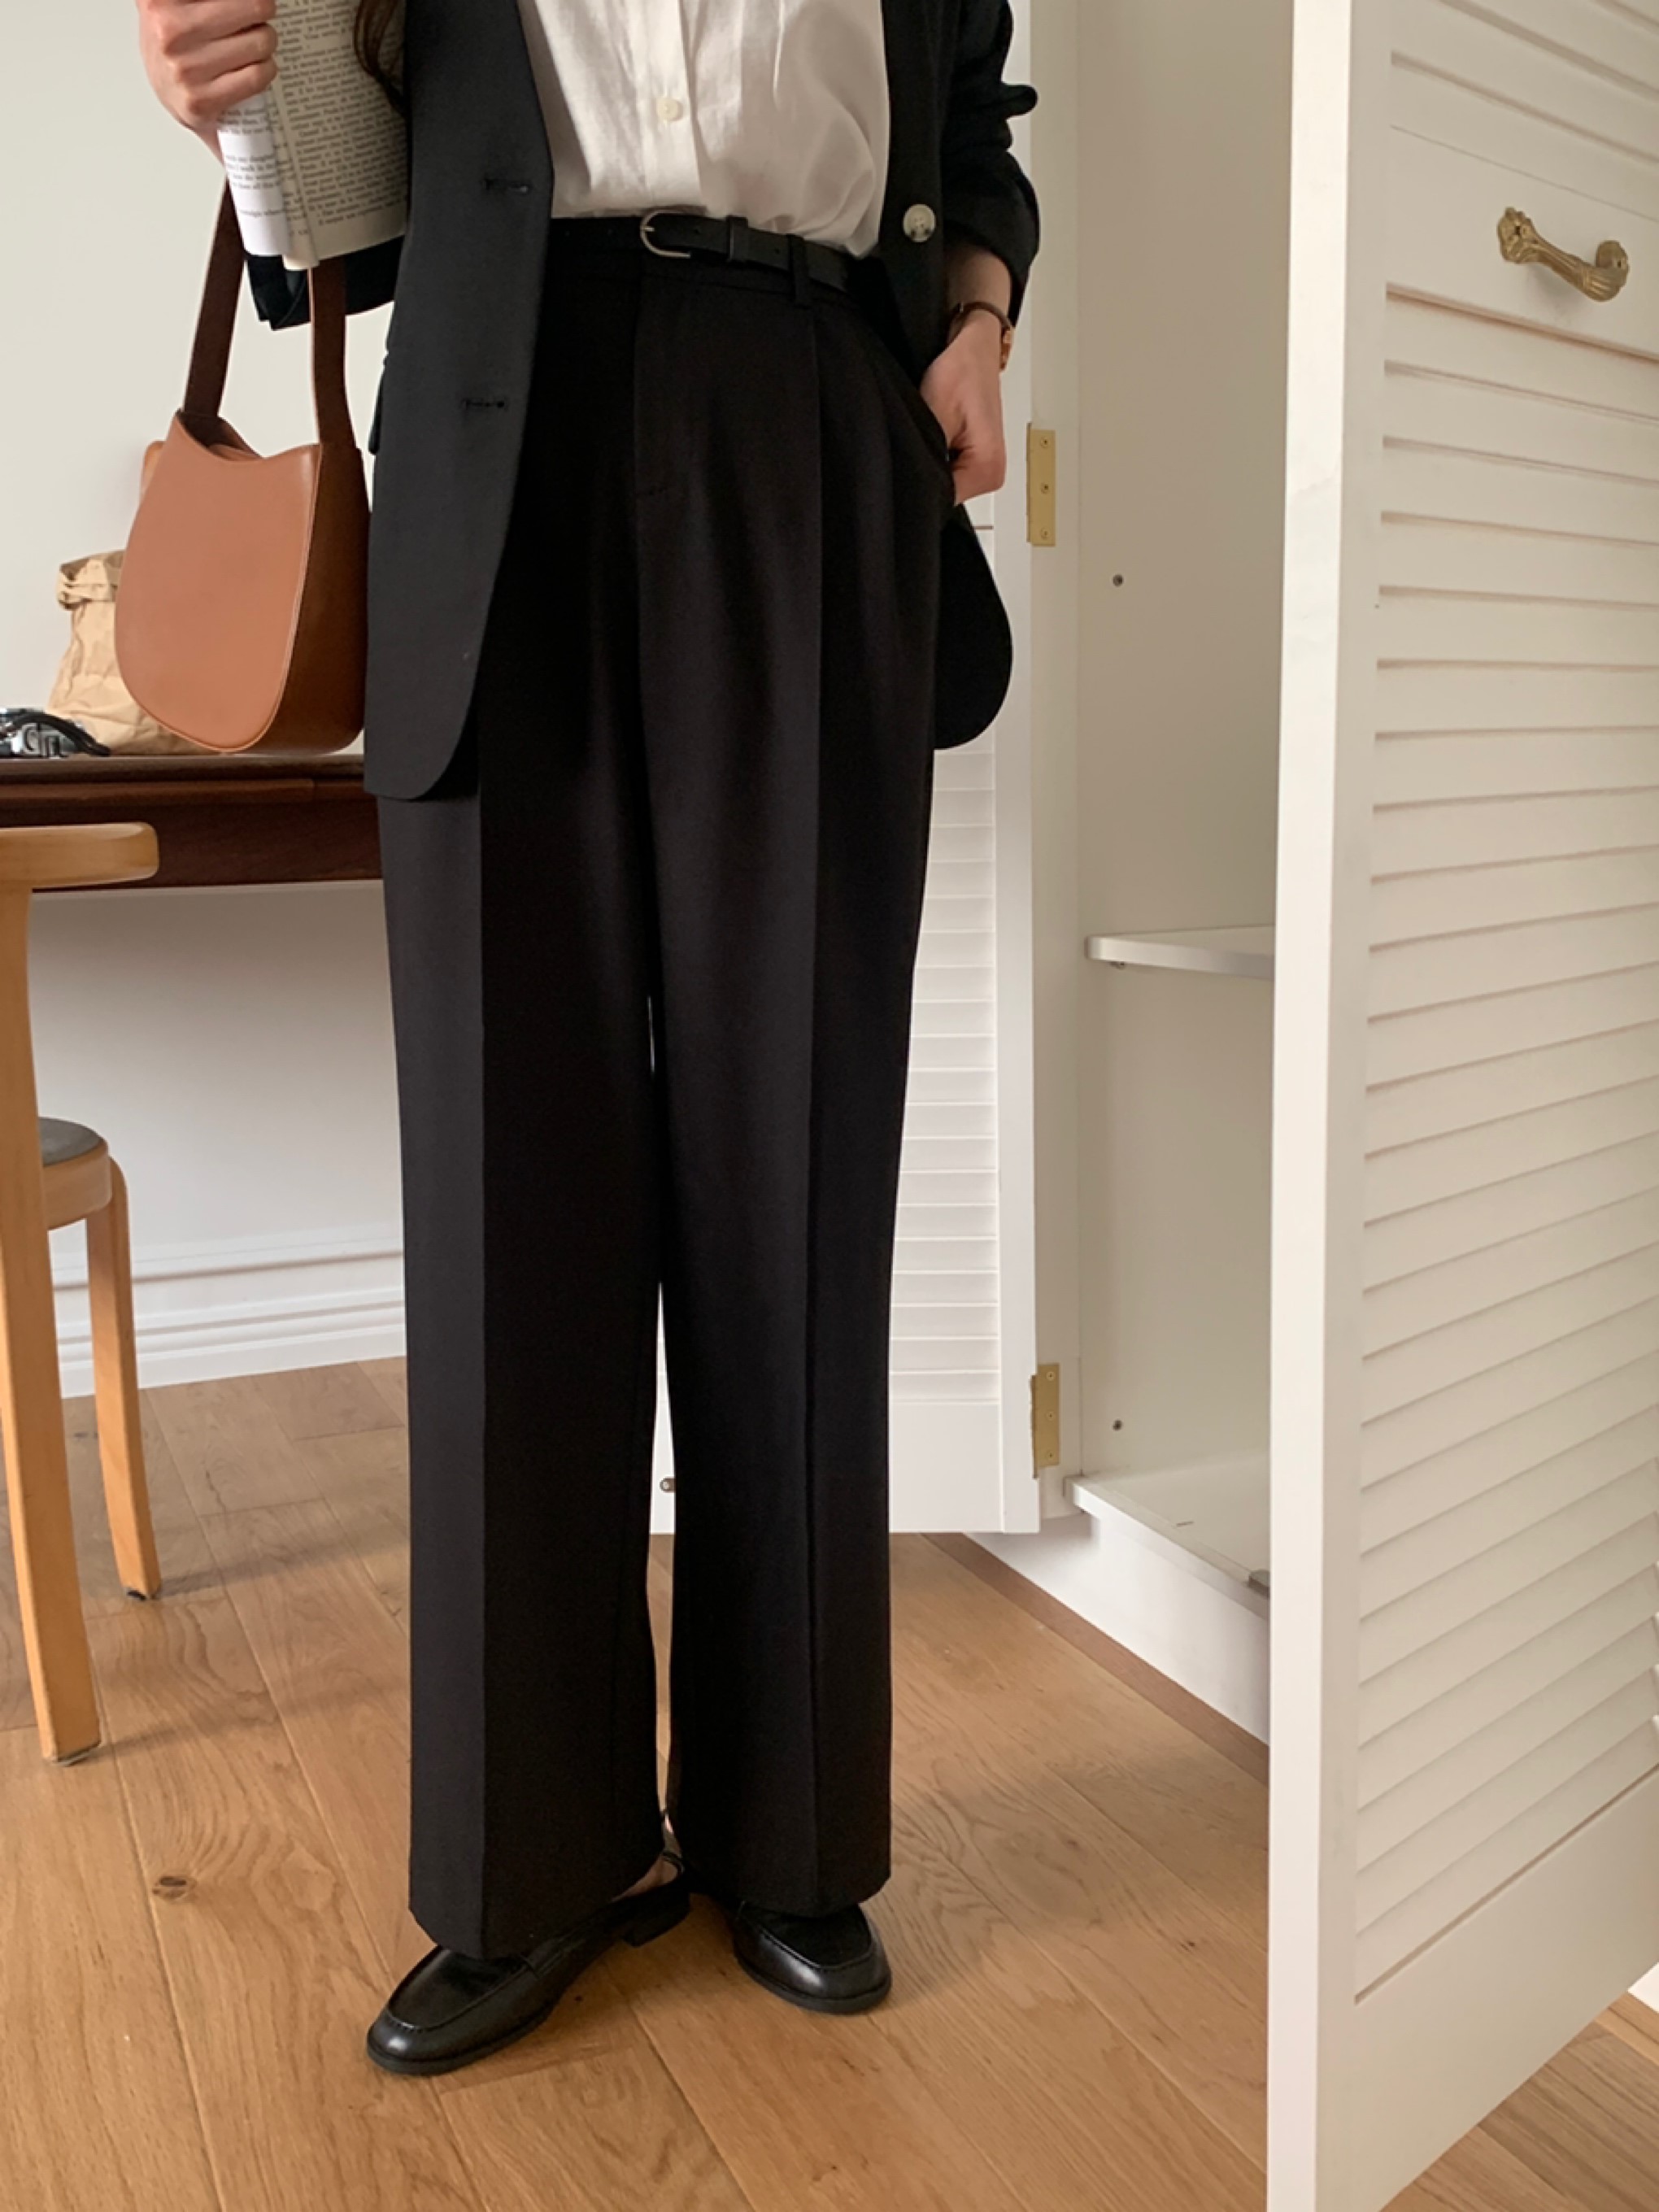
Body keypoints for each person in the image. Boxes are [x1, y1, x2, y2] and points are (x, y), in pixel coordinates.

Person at [136, 0, 1038, 2077]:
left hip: (813, 407)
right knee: (504, 1171)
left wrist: (981, 315)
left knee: (797, 1144)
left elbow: (971, 114)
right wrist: (223, 92)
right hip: (499, 408)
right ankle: (524, 1860)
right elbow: (342, 151)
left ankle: (790, 1829)